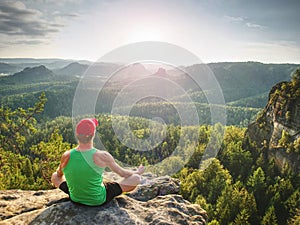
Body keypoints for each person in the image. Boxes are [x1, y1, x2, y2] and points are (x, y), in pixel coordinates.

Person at [51, 118, 145, 206]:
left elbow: (58, 175)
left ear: (76, 133)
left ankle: (79, 190)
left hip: (75, 198)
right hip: (98, 199)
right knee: (136, 178)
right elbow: (123, 174)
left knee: (54, 176)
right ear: (93, 134)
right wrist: (138, 172)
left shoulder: (66, 155)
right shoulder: (102, 156)